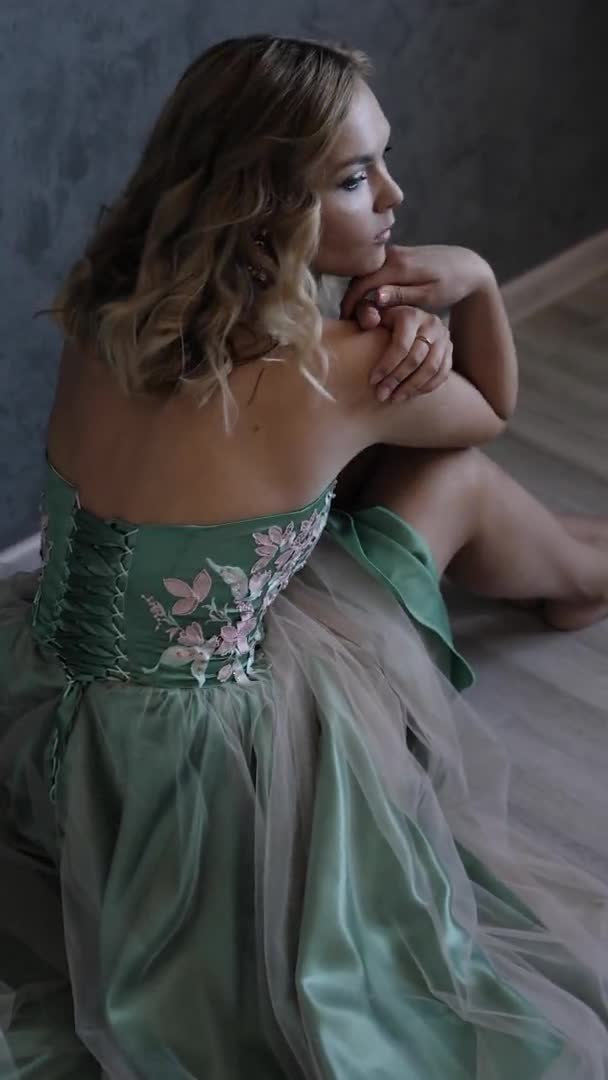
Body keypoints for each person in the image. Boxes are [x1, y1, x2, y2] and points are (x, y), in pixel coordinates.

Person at [1, 32, 607, 1080]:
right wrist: (469, 286)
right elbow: (488, 416)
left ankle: (575, 554)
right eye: (351, 176)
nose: (391, 195)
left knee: (383, 489)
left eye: (379, 160)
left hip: (53, 696)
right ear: (258, 202)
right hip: (199, 766)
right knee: (456, 479)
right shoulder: (335, 367)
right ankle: (582, 574)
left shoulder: (108, 300)